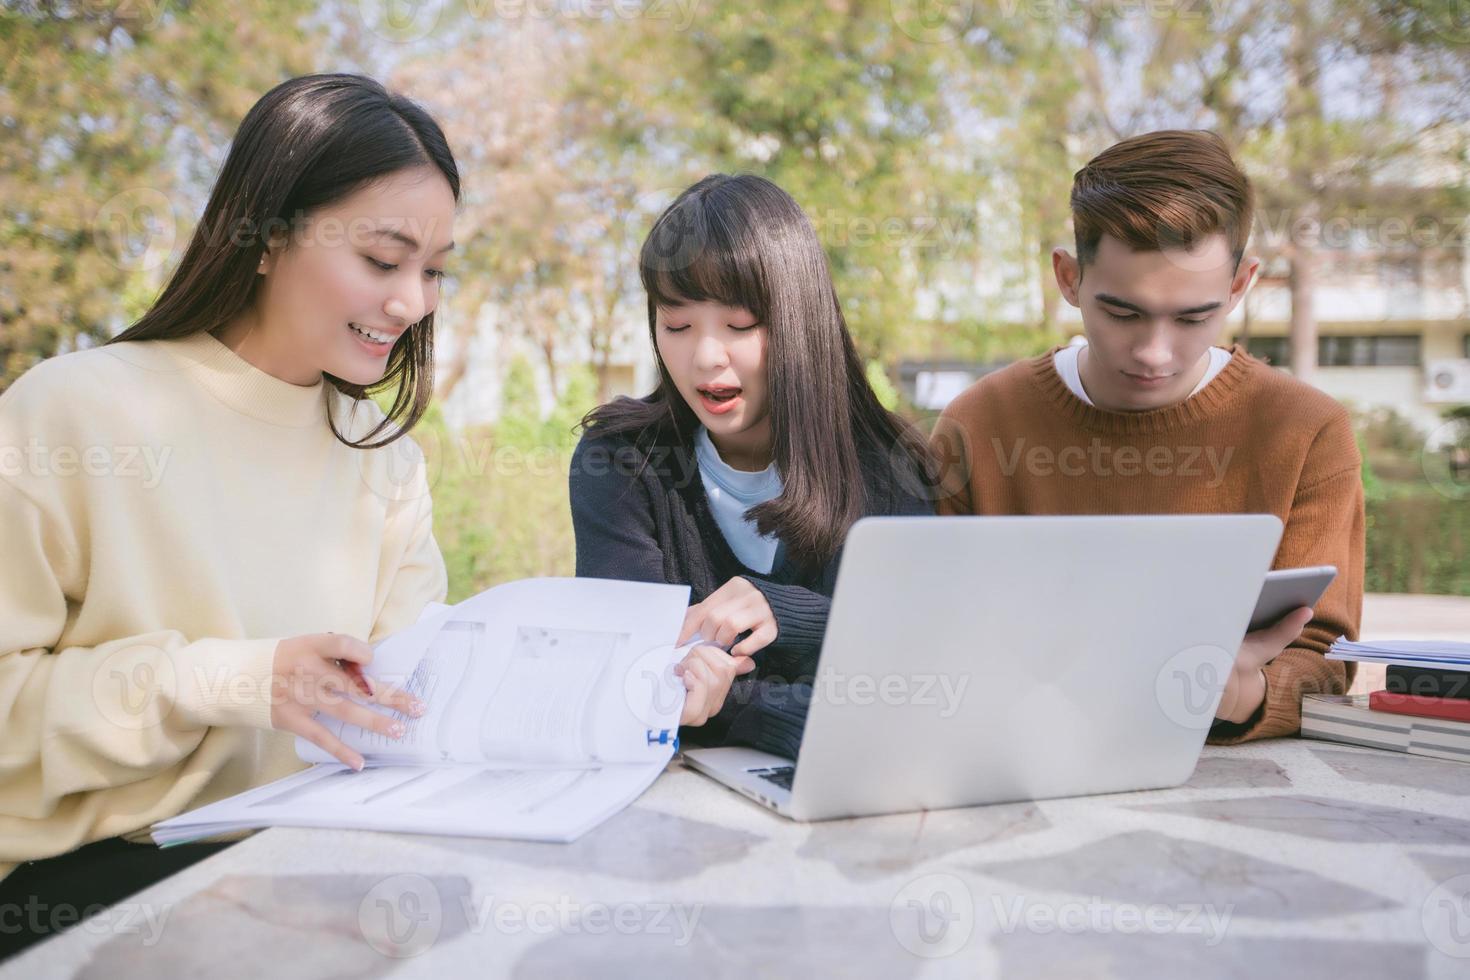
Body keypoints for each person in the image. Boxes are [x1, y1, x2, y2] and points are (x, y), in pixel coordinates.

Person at [0, 73, 458, 958]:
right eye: (382, 259)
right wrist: (232, 681)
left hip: (315, 875)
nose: (413, 303)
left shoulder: (385, 457)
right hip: (90, 884)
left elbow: (410, 705)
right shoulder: (71, 412)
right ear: (264, 237)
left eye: (434, 270)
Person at [931, 129, 1364, 742]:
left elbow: (1324, 655)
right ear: (1068, 277)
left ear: (1240, 286)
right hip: (1016, 750)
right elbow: (933, 628)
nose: (1155, 353)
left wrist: (1250, 693)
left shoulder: (1306, 431)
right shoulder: (979, 423)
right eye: (1123, 313)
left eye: (1194, 318)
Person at [570, 174, 935, 759]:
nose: (706, 357)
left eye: (740, 325)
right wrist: (794, 704)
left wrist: (788, 616)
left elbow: (922, 674)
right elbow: (628, 674)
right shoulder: (621, 463)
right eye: (677, 325)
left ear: (800, 323)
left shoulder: (891, 469)